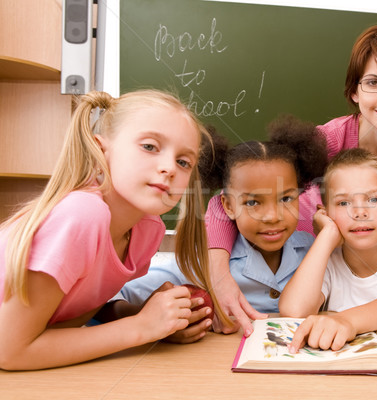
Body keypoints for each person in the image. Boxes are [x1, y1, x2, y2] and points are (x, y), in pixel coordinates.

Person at [206, 24, 377, 336]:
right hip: (288, 268)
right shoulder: (326, 140)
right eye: (374, 83)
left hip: (344, 273)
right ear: (354, 92)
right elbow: (234, 194)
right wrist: (219, 276)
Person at [0, 89, 226, 370]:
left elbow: (69, 315)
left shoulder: (147, 231)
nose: (169, 168)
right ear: (101, 149)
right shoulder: (82, 214)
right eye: (149, 147)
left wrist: (144, 316)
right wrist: (139, 328)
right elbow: (10, 351)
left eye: (183, 162)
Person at [111, 115, 328, 339]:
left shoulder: (317, 253)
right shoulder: (201, 265)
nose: (272, 217)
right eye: (253, 203)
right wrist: (152, 323)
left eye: (285, 199)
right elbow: (112, 296)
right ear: (228, 206)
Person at [279, 148, 377, 352]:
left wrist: (346, 321)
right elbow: (294, 311)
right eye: (344, 203)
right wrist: (326, 235)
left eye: (373, 200)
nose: (360, 212)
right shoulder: (325, 260)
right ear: (326, 214)